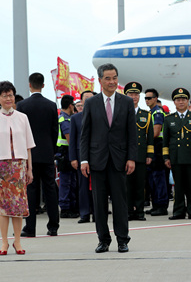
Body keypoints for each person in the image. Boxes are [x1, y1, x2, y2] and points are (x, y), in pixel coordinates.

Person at [80, 63, 137, 253]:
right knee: (99, 203)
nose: (112, 81)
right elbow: (85, 134)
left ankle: (123, 240)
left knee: (120, 202)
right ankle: (103, 240)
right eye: (108, 78)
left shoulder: (126, 102)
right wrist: (84, 160)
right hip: (97, 160)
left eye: (114, 78)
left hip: (120, 160)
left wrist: (131, 158)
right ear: (100, 80)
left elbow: (132, 133)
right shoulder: (91, 103)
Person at [0, 81, 35, 255]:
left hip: (19, 166)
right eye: (4, 96)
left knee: (19, 207)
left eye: (10, 95)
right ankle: (4, 242)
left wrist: (29, 169)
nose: (8, 98)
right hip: (0, 167)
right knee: (3, 208)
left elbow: (28, 146)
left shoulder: (23, 117)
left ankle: (17, 242)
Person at [17, 72, 60, 238]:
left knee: (31, 191)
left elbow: (21, 133)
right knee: (50, 190)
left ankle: (30, 228)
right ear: (43, 85)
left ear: (29, 85)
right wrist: (51, 149)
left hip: (30, 155)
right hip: (47, 153)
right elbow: (54, 131)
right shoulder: (51, 105)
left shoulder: (23, 106)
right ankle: (53, 226)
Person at [163, 88, 191, 220]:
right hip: (176, 157)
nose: (181, 102)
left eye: (183, 99)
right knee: (178, 186)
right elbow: (166, 140)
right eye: (178, 100)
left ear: (188, 101)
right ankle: (178, 211)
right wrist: (166, 157)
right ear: (174, 102)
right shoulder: (169, 119)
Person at [124, 82, 154, 221]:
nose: (134, 97)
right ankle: (129, 211)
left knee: (140, 185)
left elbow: (150, 137)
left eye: (136, 94)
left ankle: (140, 211)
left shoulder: (146, 115)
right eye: (131, 94)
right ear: (126, 96)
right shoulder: (121, 113)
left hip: (141, 155)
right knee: (127, 185)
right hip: (125, 156)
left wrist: (149, 154)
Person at [69, 90, 95, 224]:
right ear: (82, 101)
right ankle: (84, 214)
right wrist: (73, 158)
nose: (89, 100)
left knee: (97, 185)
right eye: (86, 98)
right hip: (81, 157)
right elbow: (72, 140)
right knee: (83, 186)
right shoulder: (75, 118)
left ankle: (97, 214)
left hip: (97, 156)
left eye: (92, 98)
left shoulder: (100, 115)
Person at [144, 88, 169, 216]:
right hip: (152, 146)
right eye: (146, 98)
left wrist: (142, 138)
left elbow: (156, 132)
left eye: (149, 98)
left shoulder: (157, 113)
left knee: (159, 178)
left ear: (155, 99)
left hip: (158, 146)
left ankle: (161, 205)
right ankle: (155, 205)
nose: (147, 100)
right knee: (152, 178)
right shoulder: (150, 112)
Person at [57, 94, 78, 218]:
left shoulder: (65, 118)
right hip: (65, 153)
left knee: (71, 181)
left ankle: (70, 205)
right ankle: (65, 208)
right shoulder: (64, 119)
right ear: (70, 106)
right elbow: (70, 139)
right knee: (66, 182)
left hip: (66, 153)